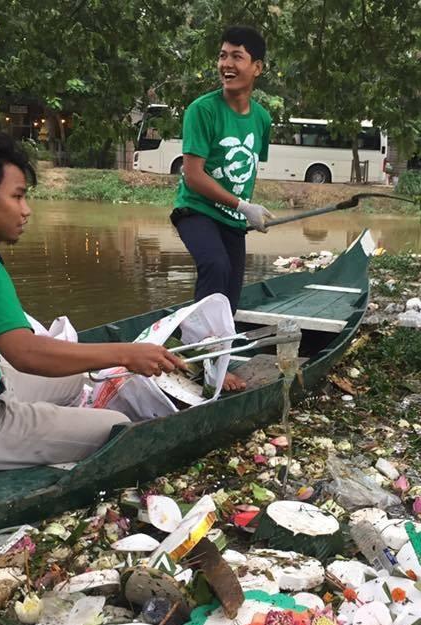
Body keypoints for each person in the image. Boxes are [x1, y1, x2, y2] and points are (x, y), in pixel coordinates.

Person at [0, 131, 187, 472]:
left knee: (76, 378)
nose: (26, 211)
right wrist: (127, 354)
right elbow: (26, 355)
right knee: (116, 427)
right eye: (18, 196)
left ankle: (49, 425)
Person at [171, 25, 274, 391]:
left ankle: (216, 360)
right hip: (195, 210)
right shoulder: (202, 110)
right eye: (222, 55)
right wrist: (243, 205)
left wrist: (251, 212)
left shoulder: (262, 119)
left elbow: (246, 171)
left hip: (232, 220)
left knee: (229, 295)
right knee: (214, 266)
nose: (226, 64)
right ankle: (198, 360)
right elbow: (194, 176)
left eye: (236, 57)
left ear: (257, 67)